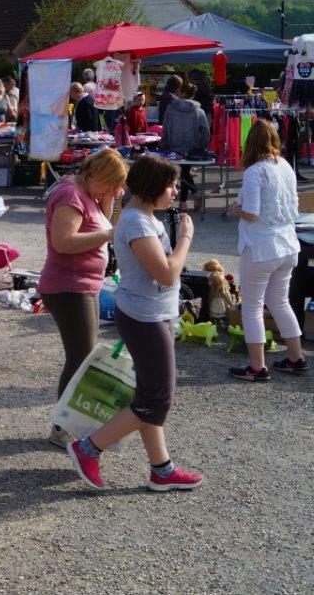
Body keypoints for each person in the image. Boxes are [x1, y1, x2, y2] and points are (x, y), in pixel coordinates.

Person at [67, 155, 204, 492]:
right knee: (156, 400)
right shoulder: (137, 223)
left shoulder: (145, 218)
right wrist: (186, 237)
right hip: (145, 317)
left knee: (150, 397)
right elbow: (168, 273)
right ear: (153, 187)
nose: (175, 192)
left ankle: (162, 469)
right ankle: (87, 448)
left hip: (151, 313)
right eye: (171, 186)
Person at [38, 149, 128, 447]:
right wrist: (109, 234)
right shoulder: (71, 195)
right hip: (68, 286)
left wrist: (107, 199)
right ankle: (61, 429)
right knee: (80, 358)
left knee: (83, 356)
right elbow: (63, 242)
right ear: (96, 175)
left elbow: (102, 220)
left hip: (83, 284)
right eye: (111, 184)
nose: (114, 191)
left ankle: (68, 425)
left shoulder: (87, 192)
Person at [227, 119, 309, 380]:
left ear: (250, 143)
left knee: (252, 307)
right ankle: (297, 358)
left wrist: (235, 208)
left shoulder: (255, 172)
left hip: (262, 247)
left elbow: (251, 214)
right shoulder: (285, 165)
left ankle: (257, 366)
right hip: (287, 244)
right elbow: (294, 207)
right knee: (280, 302)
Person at [161, 82, 211, 207]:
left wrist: (164, 143)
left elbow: (165, 128)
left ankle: (184, 202)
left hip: (173, 146)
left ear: (182, 93)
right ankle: (193, 195)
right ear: (193, 94)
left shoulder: (170, 108)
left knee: (183, 173)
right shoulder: (199, 111)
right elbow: (205, 131)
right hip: (192, 147)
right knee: (184, 172)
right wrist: (202, 146)